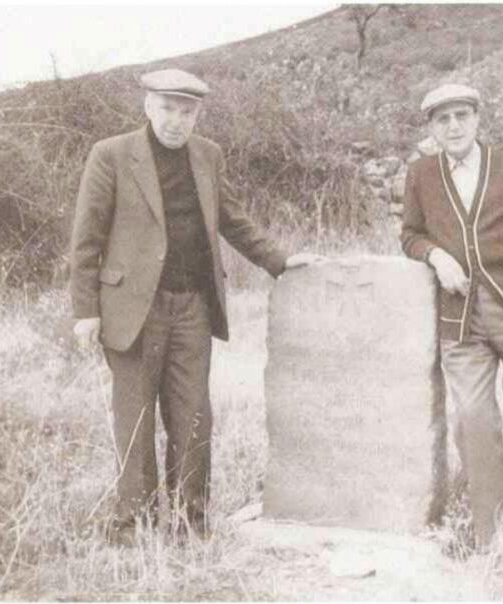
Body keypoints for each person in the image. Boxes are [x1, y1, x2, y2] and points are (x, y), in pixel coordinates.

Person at [68, 68, 320, 545]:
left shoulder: (208, 156)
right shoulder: (111, 155)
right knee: (136, 421)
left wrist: (280, 260)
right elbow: (87, 238)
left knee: (194, 417)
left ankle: (190, 525)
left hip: (192, 308)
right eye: (167, 108)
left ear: (198, 114)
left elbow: (233, 219)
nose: (176, 121)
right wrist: (86, 310)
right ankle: (132, 528)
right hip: (131, 310)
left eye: (187, 112)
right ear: (147, 106)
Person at [399, 83, 503, 553]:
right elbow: (409, 234)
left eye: (461, 116)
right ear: (431, 127)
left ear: (476, 119)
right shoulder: (421, 174)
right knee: (474, 419)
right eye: (442, 119)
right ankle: (490, 537)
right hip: (460, 318)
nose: (453, 126)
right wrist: (434, 255)